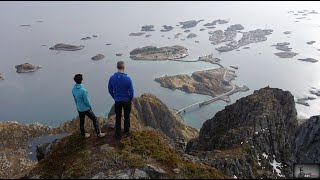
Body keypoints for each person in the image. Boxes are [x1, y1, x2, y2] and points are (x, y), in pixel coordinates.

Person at [72, 74, 105, 138]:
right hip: (86, 109)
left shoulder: (73, 89)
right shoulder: (83, 90)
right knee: (95, 119)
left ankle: (83, 134)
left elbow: (75, 99)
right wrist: (90, 107)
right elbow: (86, 101)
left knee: (82, 122)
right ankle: (99, 133)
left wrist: (78, 106)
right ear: (81, 80)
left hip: (79, 108)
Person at [108, 61, 134, 139]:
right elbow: (131, 91)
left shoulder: (112, 78)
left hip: (117, 100)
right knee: (127, 116)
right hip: (126, 100)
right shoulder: (128, 78)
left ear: (117, 67)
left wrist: (114, 97)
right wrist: (130, 98)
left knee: (118, 117)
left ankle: (118, 134)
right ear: (124, 67)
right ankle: (126, 132)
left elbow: (110, 90)